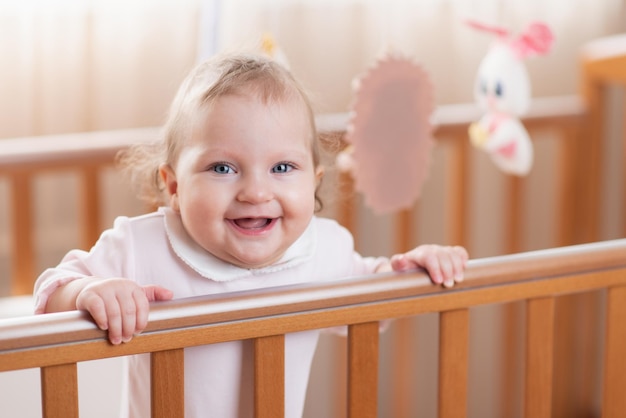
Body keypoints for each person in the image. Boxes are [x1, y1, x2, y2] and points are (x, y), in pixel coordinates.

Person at [33, 53, 468, 418]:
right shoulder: (142, 246)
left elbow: (377, 305)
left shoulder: (323, 248)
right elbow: (49, 296)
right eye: (222, 168)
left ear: (314, 182)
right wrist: (88, 291)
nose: (256, 192)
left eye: (282, 168)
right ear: (174, 186)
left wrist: (416, 268)